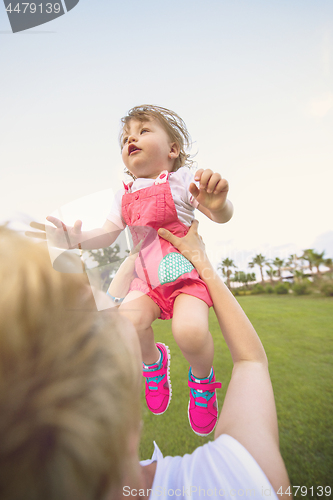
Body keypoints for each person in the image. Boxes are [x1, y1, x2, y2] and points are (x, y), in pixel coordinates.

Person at [0, 224, 291, 500]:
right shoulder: (236, 483)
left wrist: (133, 254)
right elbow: (250, 361)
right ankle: (197, 379)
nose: (102, 300)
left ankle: (157, 362)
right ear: (123, 416)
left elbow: (114, 302)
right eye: (92, 311)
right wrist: (200, 258)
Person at [27, 105, 234, 436]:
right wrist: (76, 239)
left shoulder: (182, 181)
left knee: (190, 332)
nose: (131, 139)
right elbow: (108, 233)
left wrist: (219, 203)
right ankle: (154, 365)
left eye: (143, 131)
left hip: (185, 277)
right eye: (126, 137)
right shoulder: (124, 196)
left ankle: (202, 383)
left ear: (173, 150)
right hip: (147, 283)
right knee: (127, 325)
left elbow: (220, 215)